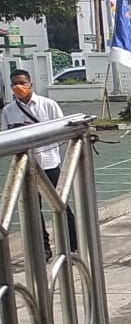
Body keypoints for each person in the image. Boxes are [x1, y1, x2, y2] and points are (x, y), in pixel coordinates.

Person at [3, 69, 77, 258]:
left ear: (30, 84)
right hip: (25, 167)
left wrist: (36, 131)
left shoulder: (48, 105)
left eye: (22, 83)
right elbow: (5, 136)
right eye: (14, 84)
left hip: (49, 163)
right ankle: (43, 248)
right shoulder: (8, 111)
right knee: (33, 211)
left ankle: (72, 245)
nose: (18, 87)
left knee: (60, 205)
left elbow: (62, 129)